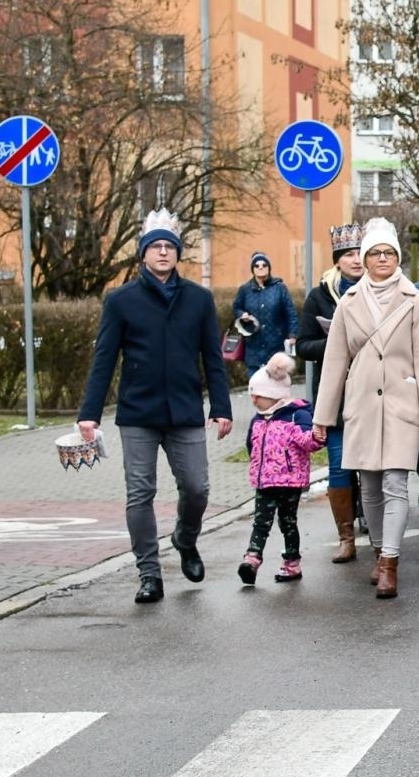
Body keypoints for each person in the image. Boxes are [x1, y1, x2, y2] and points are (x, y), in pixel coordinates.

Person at [77, 209, 233, 604]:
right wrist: (89, 414)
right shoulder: (121, 300)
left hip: (184, 411)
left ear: (178, 253)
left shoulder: (198, 299)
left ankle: (185, 537)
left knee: (197, 488)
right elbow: (104, 359)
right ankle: (149, 573)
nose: (163, 252)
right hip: (138, 414)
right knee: (139, 493)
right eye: (156, 246)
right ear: (143, 254)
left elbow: (212, 358)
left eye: (170, 246)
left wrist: (222, 406)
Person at [311, 217, 419, 600]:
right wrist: (322, 418)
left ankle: (390, 562)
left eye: (389, 252)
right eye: (375, 253)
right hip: (362, 402)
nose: (382, 258)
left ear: (397, 258)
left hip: (403, 400)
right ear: (364, 259)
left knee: (396, 482)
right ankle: (378, 549)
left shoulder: (414, 301)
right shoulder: (348, 302)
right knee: (368, 485)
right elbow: (335, 361)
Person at [296, 222, 364, 563]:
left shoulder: (377, 290)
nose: (355, 260)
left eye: (359, 253)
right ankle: (346, 537)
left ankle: (378, 534)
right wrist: (337, 341)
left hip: (371, 393)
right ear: (337, 260)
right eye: (348, 255)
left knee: (371, 467)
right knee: (338, 467)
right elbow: (304, 346)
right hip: (335, 394)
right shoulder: (320, 296)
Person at [238, 353, 323, 585]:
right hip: (264, 481)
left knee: (287, 522)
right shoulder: (258, 419)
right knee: (261, 521)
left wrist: (309, 434)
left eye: (259, 396)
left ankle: (292, 562)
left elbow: (311, 442)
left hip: (290, 481)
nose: (254, 400)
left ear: (274, 395)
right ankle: (252, 559)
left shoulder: (297, 414)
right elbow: (251, 446)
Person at [231, 252, 298, 376]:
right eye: (256, 265)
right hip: (253, 345)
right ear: (252, 269)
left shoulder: (279, 288)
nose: (260, 267)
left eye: (264, 265)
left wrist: (292, 335)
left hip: (276, 344)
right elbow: (236, 307)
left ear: (269, 268)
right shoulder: (245, 290)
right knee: (255, 387)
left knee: (277, 387)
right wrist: (242, 314)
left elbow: (291, 312)